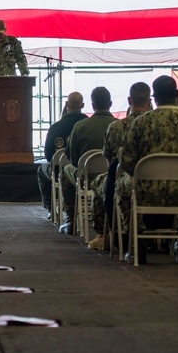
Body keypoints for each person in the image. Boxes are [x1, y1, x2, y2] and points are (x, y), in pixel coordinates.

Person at [120, 76, 178, 262]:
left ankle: (137, 243)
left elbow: (127, 161)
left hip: (146, 192)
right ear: (176, 94)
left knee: (120, 185)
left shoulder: (139, 124)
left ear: (154, 98)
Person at [100, 82, 153, 257]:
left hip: (126, 187)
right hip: (161, 186)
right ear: (149, 101)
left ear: (129, 100)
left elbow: (109, 162)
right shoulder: (155, 127)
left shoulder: (115, 127)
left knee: (108, 184)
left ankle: (118, 237)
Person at [61, 87, 117, 249]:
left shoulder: (80, 127)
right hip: (114, 179)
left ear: (92, 105)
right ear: (110, 104)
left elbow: (73, 160)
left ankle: (71, 219)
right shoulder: (120, 126)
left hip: (87, 178)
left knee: (66, 171)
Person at [35, 92, 86, 228]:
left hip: (59, 171)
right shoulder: (87, 124)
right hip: (86, 171)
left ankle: (51, 209)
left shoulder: (56, 127)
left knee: (41, 169)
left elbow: (48, 155)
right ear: (82, 105)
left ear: (67, 104)